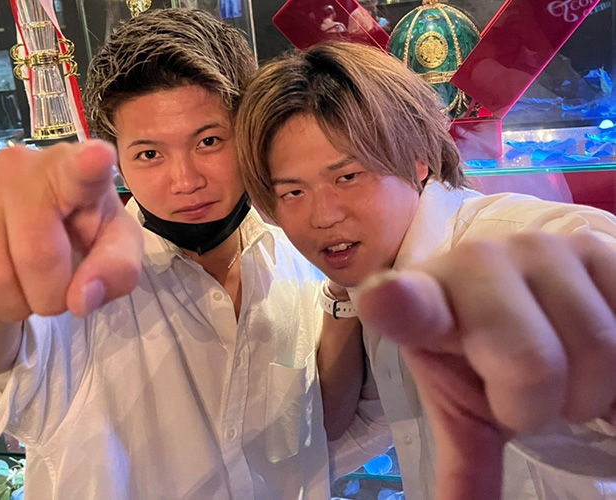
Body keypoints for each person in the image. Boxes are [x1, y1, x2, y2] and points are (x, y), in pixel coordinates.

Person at [0, 12, 390, 499]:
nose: (186, 181)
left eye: (208, 141)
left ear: (248, 133)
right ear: (116, 157)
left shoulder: (298, 251)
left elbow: (321, 428)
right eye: (149, 154)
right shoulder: (85, 283)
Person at [235, 41, 616, 500]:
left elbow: (583, 268)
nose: (324, 216)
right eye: (293, 193)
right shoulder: (386, 276)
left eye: (348, 177)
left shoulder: (518, 240)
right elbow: (345, 433)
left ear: (418, 159)